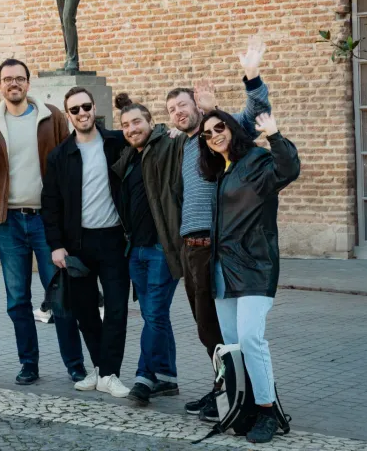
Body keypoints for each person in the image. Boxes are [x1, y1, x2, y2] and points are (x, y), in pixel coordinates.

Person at [0, 58, 86, 385]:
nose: (13, 84)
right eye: (7, 79)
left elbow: (70, 162)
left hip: (46, 221)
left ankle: (75, 365)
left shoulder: (52, 117)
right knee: (17, 300)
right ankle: (29, 364)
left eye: (19, 78)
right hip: (9, 223)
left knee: (60, 296)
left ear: (28, 84)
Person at [165, 37, 271, 419]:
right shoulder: (181, 144)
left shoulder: (222, 134)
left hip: (218, 245)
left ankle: (238, 395)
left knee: (224, 330)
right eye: (172, 110)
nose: (178, 113)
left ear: (197, 104)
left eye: (183, 105)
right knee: (207, 330)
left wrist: (251, 74)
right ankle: (225, 389)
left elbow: (258, 110)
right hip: (190, 247)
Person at [198, 110, 299, 444]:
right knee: (235, 347)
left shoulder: (255, 161)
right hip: (223, 271)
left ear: (233, 128)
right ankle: (247, 406)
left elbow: (288, 169)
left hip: (256, 267)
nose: (214, 134)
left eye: (219, 127)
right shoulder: (222, 170)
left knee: (251, 339)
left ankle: (270, 411)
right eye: (207, 132)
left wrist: (274, 134)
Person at [42, 87, 130, 398]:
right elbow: (50, 203)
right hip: (77, 243)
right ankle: (101, 368)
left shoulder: (117, 143)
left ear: (94, 109)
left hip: (114, 239)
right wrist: (56, 245)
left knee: (118, 308)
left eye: (86, 107)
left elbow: (146, 138)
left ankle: (109, 373)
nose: (82, 113)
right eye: (75, 110)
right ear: (68, 116)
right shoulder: (60, 155)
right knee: (86, 311)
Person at [111, 94, 184, 406]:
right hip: (136, 250)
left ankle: (145, 376)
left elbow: (187, 142)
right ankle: (167, 377)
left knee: (153, 313)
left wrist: (177, 132)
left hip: (162, 248)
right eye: (125, 125)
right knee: (155, 314)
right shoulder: (128, 158)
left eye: (137, 122)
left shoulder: (167, 146)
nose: (131, 128)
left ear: (151, 123)